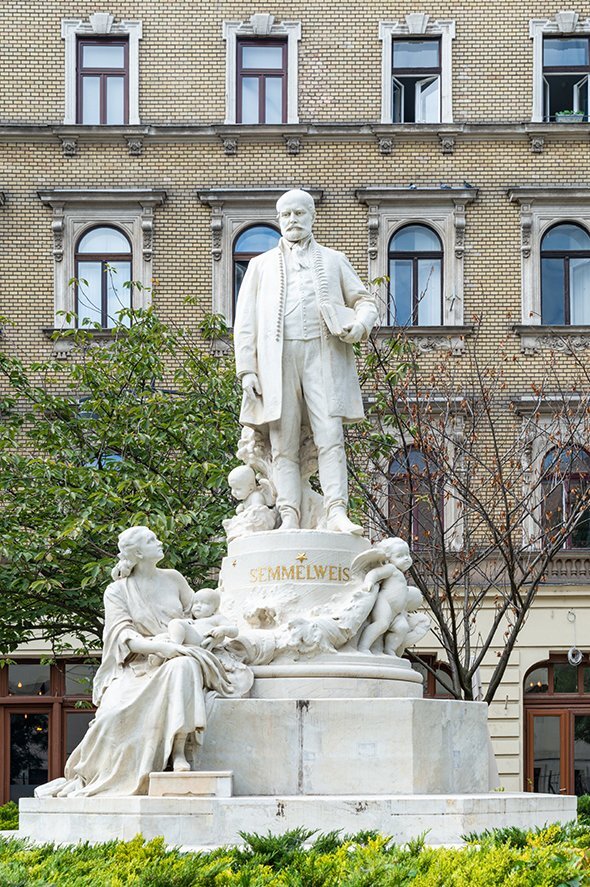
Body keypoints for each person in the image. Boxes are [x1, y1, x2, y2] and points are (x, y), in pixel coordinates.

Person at [35, 526, 251, 797]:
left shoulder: (174, 578)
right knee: (111, 716)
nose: (159, 541)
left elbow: (194, 617)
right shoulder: (117, 591)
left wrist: (207, 637)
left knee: (182, 666)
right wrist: (159, 646)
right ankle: (106, 772)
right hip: (139, 664)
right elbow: (122, 636)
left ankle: (179, 751)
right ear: (137, 553)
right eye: (151, 540)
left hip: (181, 653)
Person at [234, 188, 378, 534]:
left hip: (323, 354)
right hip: (277, 359)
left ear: (312, 217)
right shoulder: (259, 265)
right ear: (278, 220)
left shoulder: (333, 259)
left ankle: (336, 511)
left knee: (331, 436)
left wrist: (360, 325)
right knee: (282, 442)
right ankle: (290, 516)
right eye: (286, 215)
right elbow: (245, 323)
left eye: (299, 214)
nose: (292, 221)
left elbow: (366, 301)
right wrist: (247, 370)